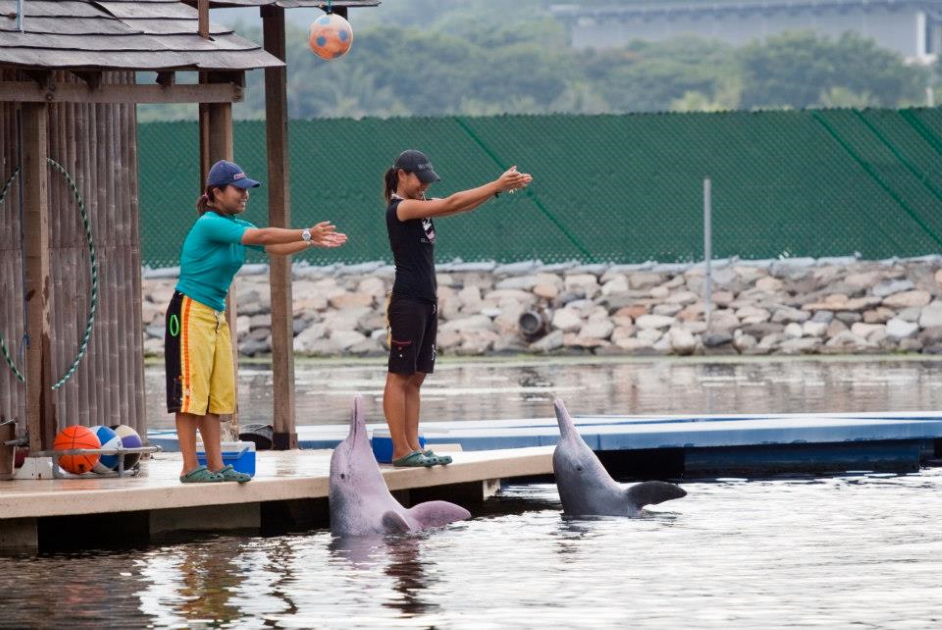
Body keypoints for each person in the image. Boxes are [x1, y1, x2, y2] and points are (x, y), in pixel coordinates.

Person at [166, 160, 347, 483]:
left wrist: (309, 242)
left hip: (214, 314)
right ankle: (190, 467)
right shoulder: (210, 223)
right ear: (216, 192)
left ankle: (217, 465)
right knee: (192, 395)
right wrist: (306, 230)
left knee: (216, 395)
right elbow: (263, 233)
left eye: (247, 189)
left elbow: (272, 245)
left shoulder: (234, 224)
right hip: (190, 311)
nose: (245, 195)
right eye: (239, 189)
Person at [382, 150, 532, 467]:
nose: (424, 186)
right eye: (419, 180)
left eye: (427, 182)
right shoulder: (402, 208)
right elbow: (451, 202)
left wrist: (496, 190)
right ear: (402, 176)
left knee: (416, 377)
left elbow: (458, 206)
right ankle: (400, 450)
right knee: (399, 376)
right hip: (408, 301)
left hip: (426, 301)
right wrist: (495, 184)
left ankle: (413, 447)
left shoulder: (419, 207)